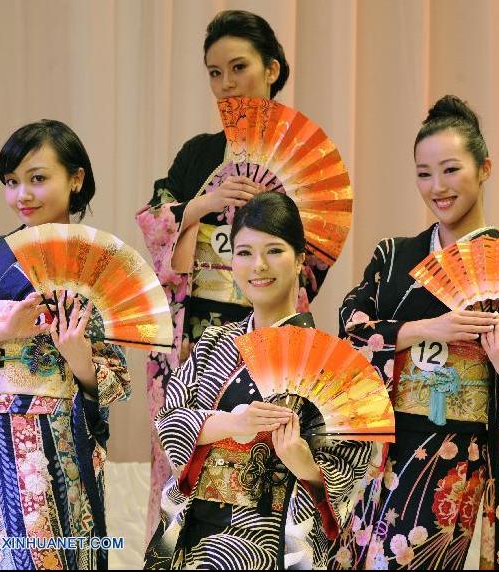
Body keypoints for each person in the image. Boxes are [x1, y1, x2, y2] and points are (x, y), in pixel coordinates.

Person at [329, 95, 499, 570]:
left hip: (457, 455)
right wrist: (427, 328)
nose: (437, 187)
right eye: (424, 173)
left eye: (451, 170)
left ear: (485, 167)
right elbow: (350, 329)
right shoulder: (393, 256)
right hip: (382, 448)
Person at [135, 10, 329, 538]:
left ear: (271, 69)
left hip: (267, 333)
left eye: (238, 67)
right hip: (198, 335)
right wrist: (202, 205)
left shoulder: (301, 161)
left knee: (271, 455)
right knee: (187, 459)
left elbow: (311, 262)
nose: (225, 84)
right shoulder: (199, 154)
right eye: (214, 72)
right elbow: (158, 235)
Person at [0, 120, 131, 569]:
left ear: (75, 179)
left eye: (38, 178)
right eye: (12, 182)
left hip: (54, 438)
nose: (23, 194)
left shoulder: (99, 265)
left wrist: (80, 360)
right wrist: (1, 330)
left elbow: (115, 376)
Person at [145, 191, 372, 569]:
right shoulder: (215, 343)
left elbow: (351, 472)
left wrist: (305, 464)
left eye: (274, 251)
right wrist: (233, 423)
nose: (258, 266)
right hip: (198, 530)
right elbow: (169, 421)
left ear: (300, 259)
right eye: (245, 252)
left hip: (270, 542)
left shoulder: (333, 366)